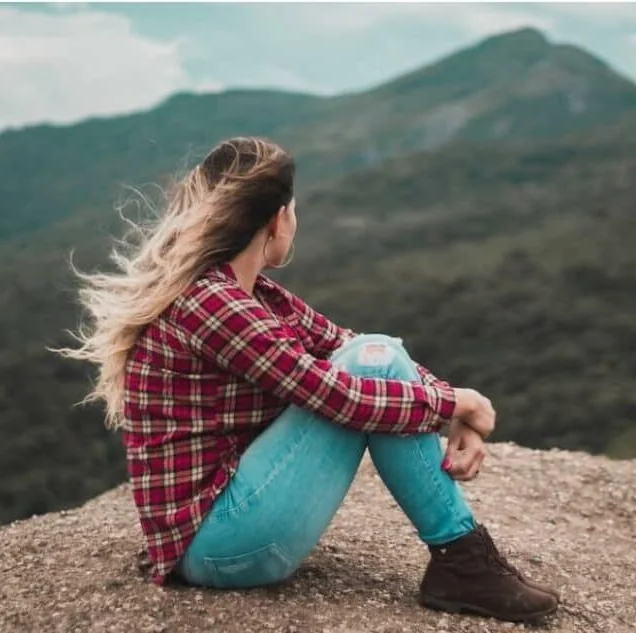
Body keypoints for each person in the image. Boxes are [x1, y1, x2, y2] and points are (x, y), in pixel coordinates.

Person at [55, 136, 559, 623]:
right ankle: (463, 561)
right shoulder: (213, 304)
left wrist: (452, 410)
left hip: (228, 525)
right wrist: (455, 404)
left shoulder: (252, 295)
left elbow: (353, 345)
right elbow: (337, 394)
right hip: (218, 544)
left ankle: (463, 561)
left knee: (374, 350)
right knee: (367, 367)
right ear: (278, 219)